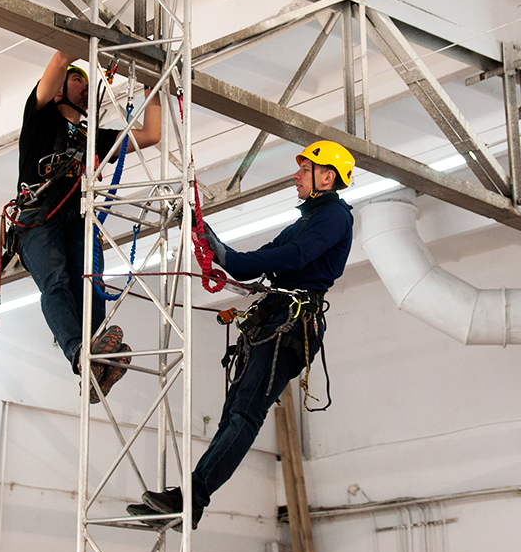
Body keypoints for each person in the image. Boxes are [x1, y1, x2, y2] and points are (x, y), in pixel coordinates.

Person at [129, 140, 355, 531]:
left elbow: (295, 256)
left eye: (304, 170)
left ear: (327, 177)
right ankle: (187, 501)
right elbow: (256, 262)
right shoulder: (303, 222)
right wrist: (209, 238)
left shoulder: (334, 216)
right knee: (234, 415)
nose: (296, 176)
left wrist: (228, 256)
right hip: (275, 320)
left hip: (290, 324)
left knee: (244, 415)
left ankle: (191, 501)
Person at [11, 51, 160, 400]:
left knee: (91, 282)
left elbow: (151, 134)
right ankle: (81, 354)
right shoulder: (40, 116)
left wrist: (152, 84)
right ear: (59, 90)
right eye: (78, 79)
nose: (86, 86)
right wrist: (76, 46)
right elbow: (58, 61)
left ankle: (98, 360)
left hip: (76, 218)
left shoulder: (94, 136)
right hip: (37, 216)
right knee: (56, 283)